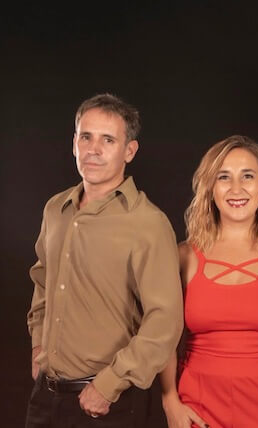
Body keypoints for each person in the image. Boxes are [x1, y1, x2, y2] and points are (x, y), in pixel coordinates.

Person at [25, 93, 184, 427]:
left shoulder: (148, 223)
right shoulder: (55, 209)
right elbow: (42, 280)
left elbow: (164, 321)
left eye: (108, 140)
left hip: (108, 405)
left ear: (130, 151)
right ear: (74, 143)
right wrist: (39, 344)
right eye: (86, 137)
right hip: (46, 399)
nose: (93, 149)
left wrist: (109, 384)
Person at [160, 135, 258, 428]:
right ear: (210, 187)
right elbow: (162, 333)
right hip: (198, 405)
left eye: (247, 176)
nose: (236, 188)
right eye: (223, 177)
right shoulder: (183, 255)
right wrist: (169, 400)